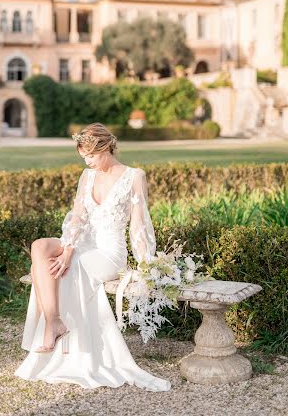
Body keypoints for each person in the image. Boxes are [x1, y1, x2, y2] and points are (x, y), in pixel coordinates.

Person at [14, 122, 171, 392]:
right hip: (82, 244)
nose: (88, 162)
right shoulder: (87, 177)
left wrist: (147, 265)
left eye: (91, 156)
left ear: (106, 147)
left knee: (67, 267)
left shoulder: (134, 176)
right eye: (84, 157)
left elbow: (139, 226)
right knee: (40, 247)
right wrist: (68, 249)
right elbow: (78, 217)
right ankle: (53, 321)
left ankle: (63, 338)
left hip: (109, 253)